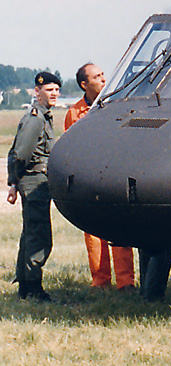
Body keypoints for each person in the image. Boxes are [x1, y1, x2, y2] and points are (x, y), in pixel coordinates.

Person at [64, 63, 136, 292]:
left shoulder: (117, 105)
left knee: (121, 231)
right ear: (84, 84)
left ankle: (126, 282)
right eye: (97, 77)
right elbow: (71, 147)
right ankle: (100, 280)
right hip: (89, 180)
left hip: (114, 177)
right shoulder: (75, 113)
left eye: (103, 74)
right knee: (94, 234)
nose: (103, 79)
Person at [6, 71, 61, 301]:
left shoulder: (43, 117)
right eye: (49, 90)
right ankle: (34, 289)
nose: (54, 94)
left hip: (36, 181)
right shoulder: (36, 119)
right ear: (37, 92)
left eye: (57, 90)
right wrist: (14, 181)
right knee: (39, 236)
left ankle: (25, 287)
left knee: (30, 233)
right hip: (34, 182)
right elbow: (19, 154)